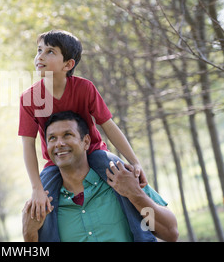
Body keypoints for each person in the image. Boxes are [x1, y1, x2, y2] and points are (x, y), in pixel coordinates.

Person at [19, 29, 153, 241]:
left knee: (123, 180)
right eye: (39, 50)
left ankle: (145, 237)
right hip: (57, 163)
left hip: (94, 152)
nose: (40, 56)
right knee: (42, 205)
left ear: (68, 64)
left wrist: (134, 162)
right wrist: (36, 188)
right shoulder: (29, 98)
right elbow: (27, 145)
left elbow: (108, 126)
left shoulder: (85, 88)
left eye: (50, 51)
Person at [22, 111, 178, 242]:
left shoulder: (121, 179)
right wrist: (29, 235)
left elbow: (170, 233)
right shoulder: (44, 205)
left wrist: (135, 195)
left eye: (67, 135)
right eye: (52, 138)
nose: (59, 143)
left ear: (86, 142)